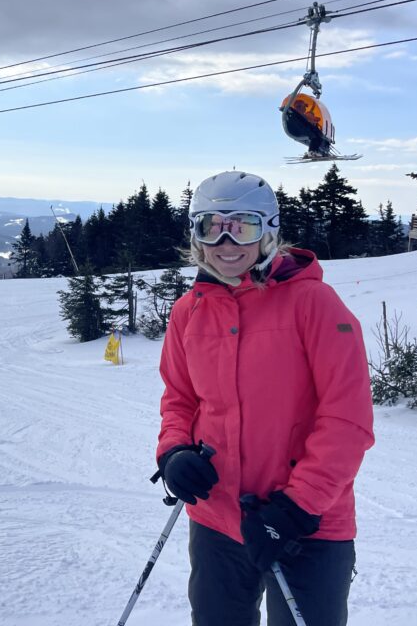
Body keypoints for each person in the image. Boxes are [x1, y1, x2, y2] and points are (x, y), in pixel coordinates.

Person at [155, 170, 374, 626]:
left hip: (307, 524)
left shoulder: (315, 305)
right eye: (211, 226)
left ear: (269, 231)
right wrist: (174, 452)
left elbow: (347, 420)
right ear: (195, 235)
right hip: (218, 517)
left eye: (244, 226)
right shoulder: (187, 310)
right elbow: (179, 398)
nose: (226, 242)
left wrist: (296, 508)